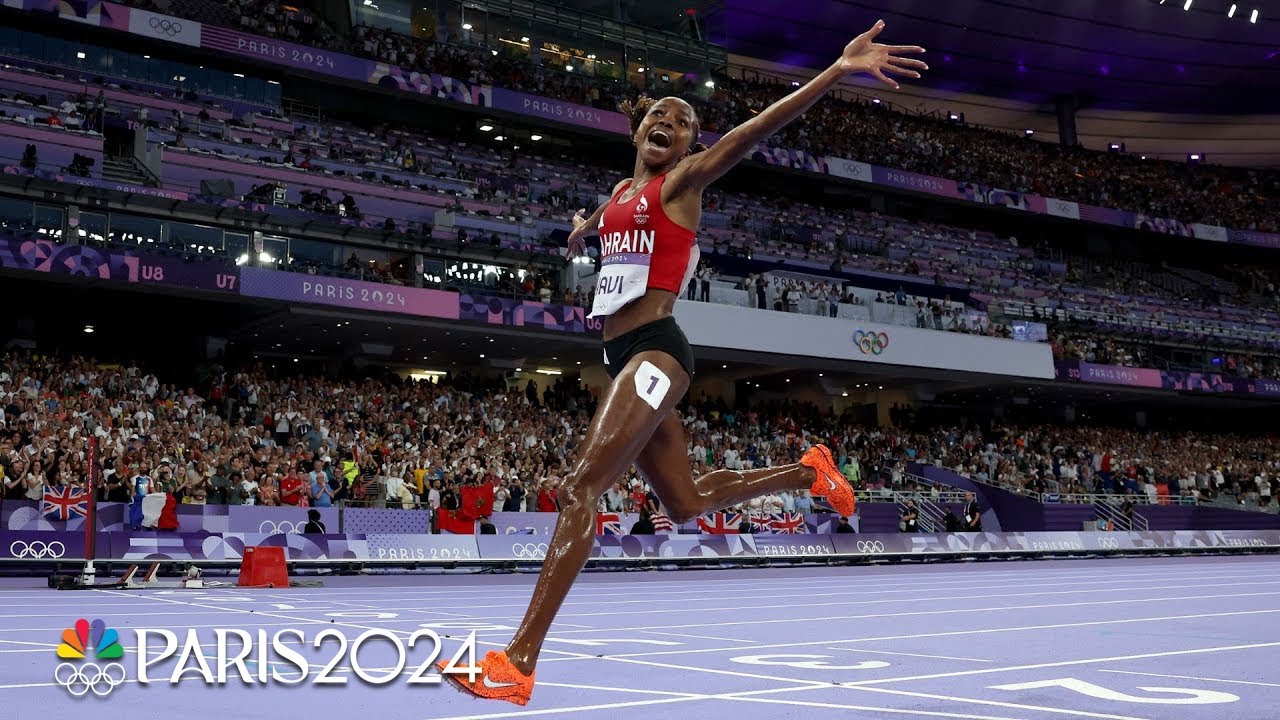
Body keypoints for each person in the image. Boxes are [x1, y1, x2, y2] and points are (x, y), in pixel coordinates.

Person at [437, 19, 925, 705]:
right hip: (621, 356)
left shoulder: (682, 184)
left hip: (658, 351)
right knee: (686, 501)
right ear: (638, 131)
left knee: (581, 487)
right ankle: (807, 471)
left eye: (685, 120)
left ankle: (519, 661)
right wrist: (583, 230)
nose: (670, 121)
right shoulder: (617, 196)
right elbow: (605, 221)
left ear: (693, 145)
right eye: (660, 114)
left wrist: (835, 73)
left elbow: (754, 131)